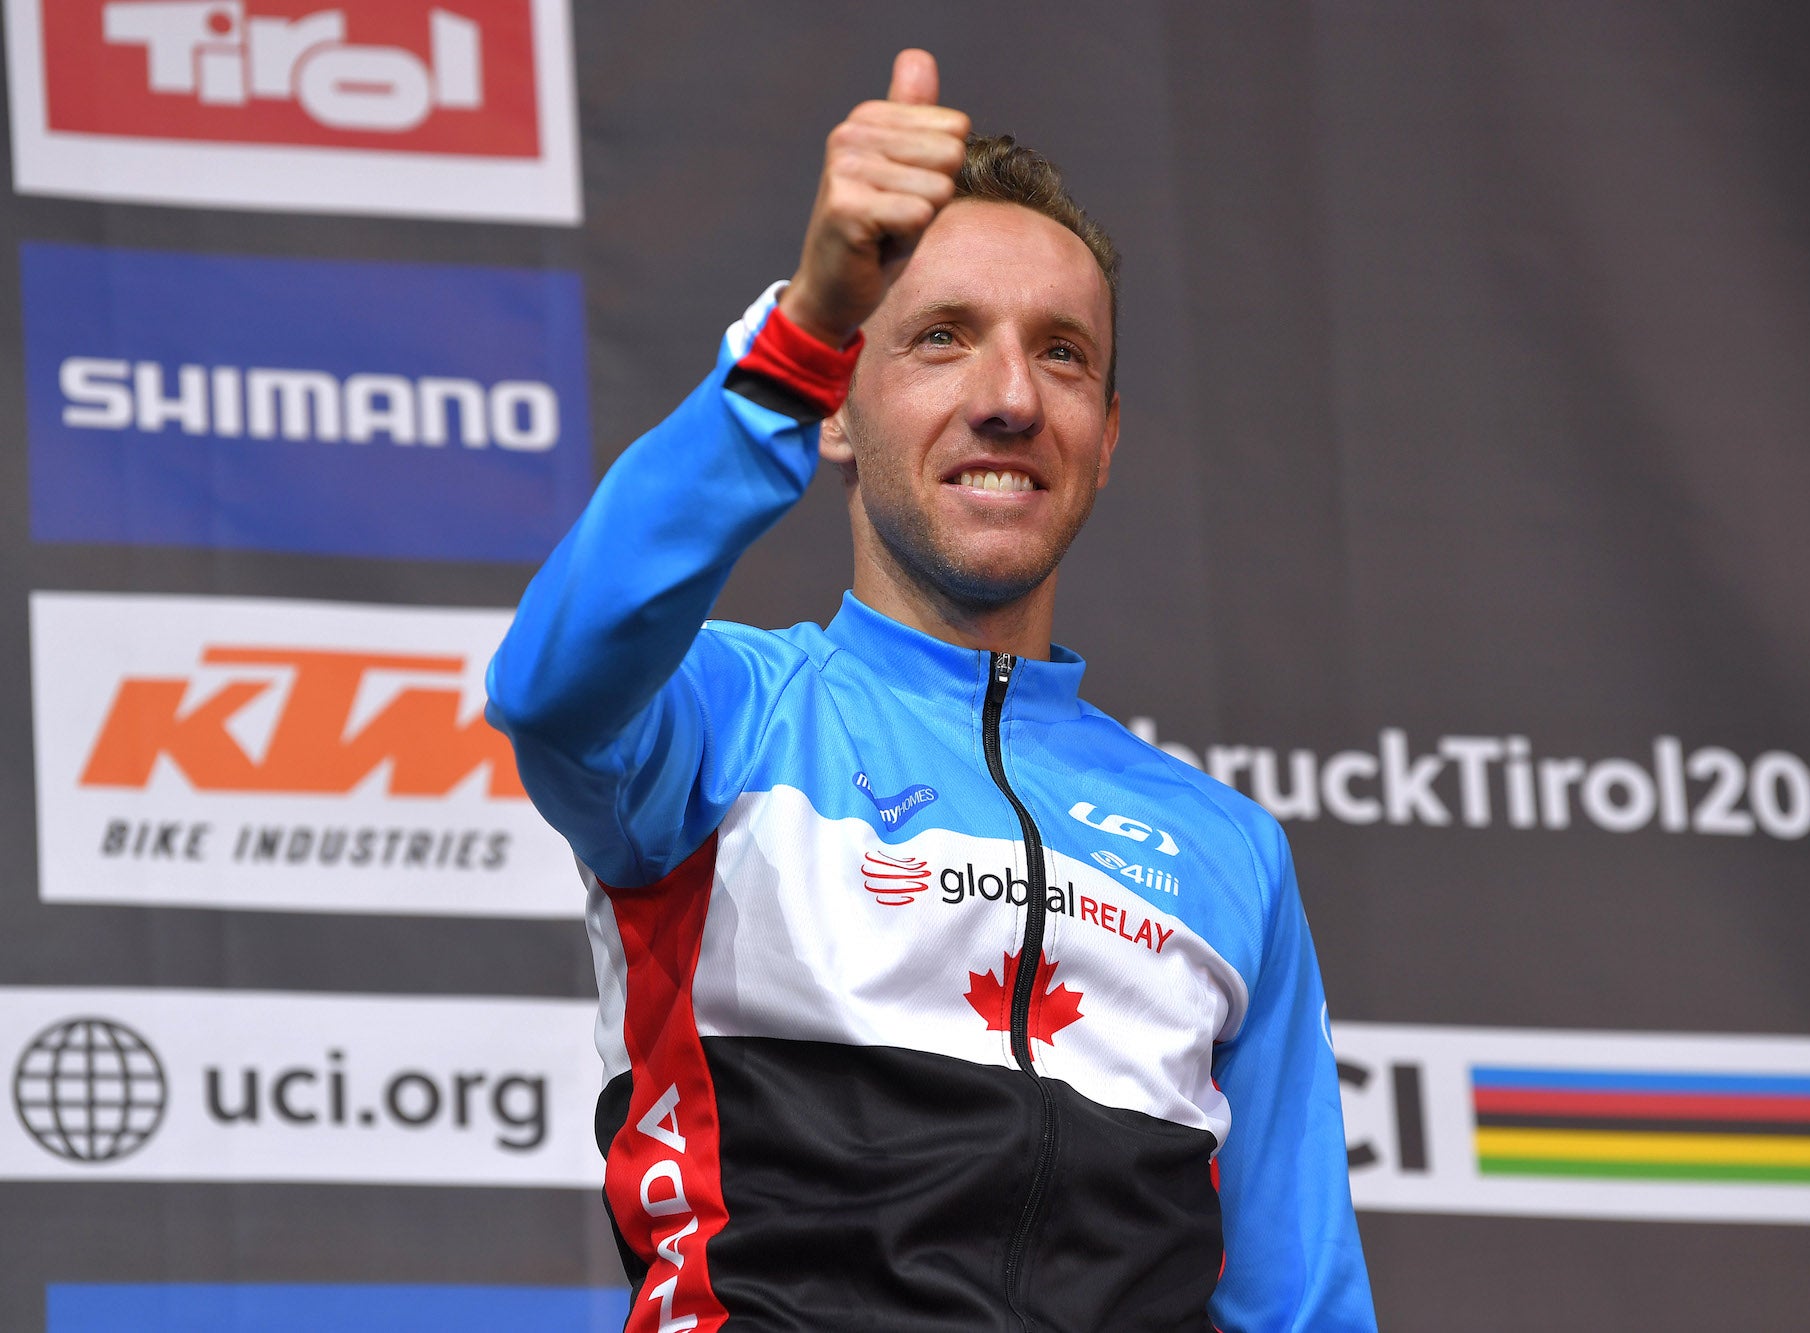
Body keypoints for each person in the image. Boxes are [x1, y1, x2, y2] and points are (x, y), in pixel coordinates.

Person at [488, 48, 1377, 1333]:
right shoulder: (725, 716)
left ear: (1108, 437)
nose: (1008, 398)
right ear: (833, 407)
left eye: (1061, 355)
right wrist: (797, 332)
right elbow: (549, 686)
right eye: (941, 338)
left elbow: (1297, 1307)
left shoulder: (1224, 847)